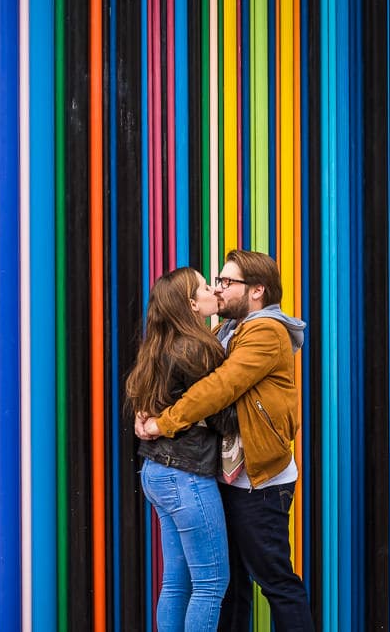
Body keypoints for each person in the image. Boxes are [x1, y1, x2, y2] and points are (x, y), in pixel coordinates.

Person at [139, 249, 314, 631]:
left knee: (274, 579)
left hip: (260, 480)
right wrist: (148, 408)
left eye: (226, 282)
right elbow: (179, 376)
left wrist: (162, 422)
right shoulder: (225, 331)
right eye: (214, 282)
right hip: (229, 476)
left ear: (256, 290)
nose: (219, 289)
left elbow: (220, 387)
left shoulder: (266, 330)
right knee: (229, 584)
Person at [126, 267, 236, 631]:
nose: (213, 290)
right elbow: (221, 415)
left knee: (177, 582)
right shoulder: (198, 348)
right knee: (210, 583)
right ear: (192, 303)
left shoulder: (158, 345)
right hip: (185, 475)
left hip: (156, 473)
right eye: (206, 286)